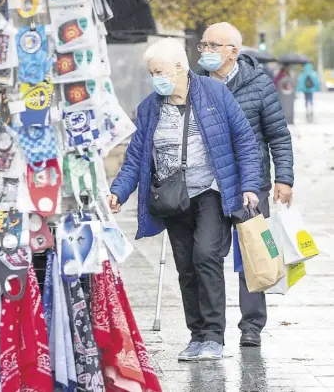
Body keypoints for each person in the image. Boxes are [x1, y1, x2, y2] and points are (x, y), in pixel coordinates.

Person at [109, 37, 261, 361]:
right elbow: (136, 156)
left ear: (180, 67)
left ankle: (214, 336)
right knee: (186, 267)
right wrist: (118, 192)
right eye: (152, 73)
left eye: (160, 71)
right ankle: (197, 336)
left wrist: (250, 185)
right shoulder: (150, 107)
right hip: (171, 197)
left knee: (206, 255)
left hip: (209, 191)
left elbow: (245, 140)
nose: (156, 78)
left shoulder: (214, 94)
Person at [198, 22, 294, 347]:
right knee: (207, 253)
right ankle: (210, 330)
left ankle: (251, 325)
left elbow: (278, 135)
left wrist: (285, 178)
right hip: (208, 185)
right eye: (204, 45)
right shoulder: (195, 85)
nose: (207, 52)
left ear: (233, 52)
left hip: (252, 184)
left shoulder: (258, 84)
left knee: (252, 254)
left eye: (214, 46)